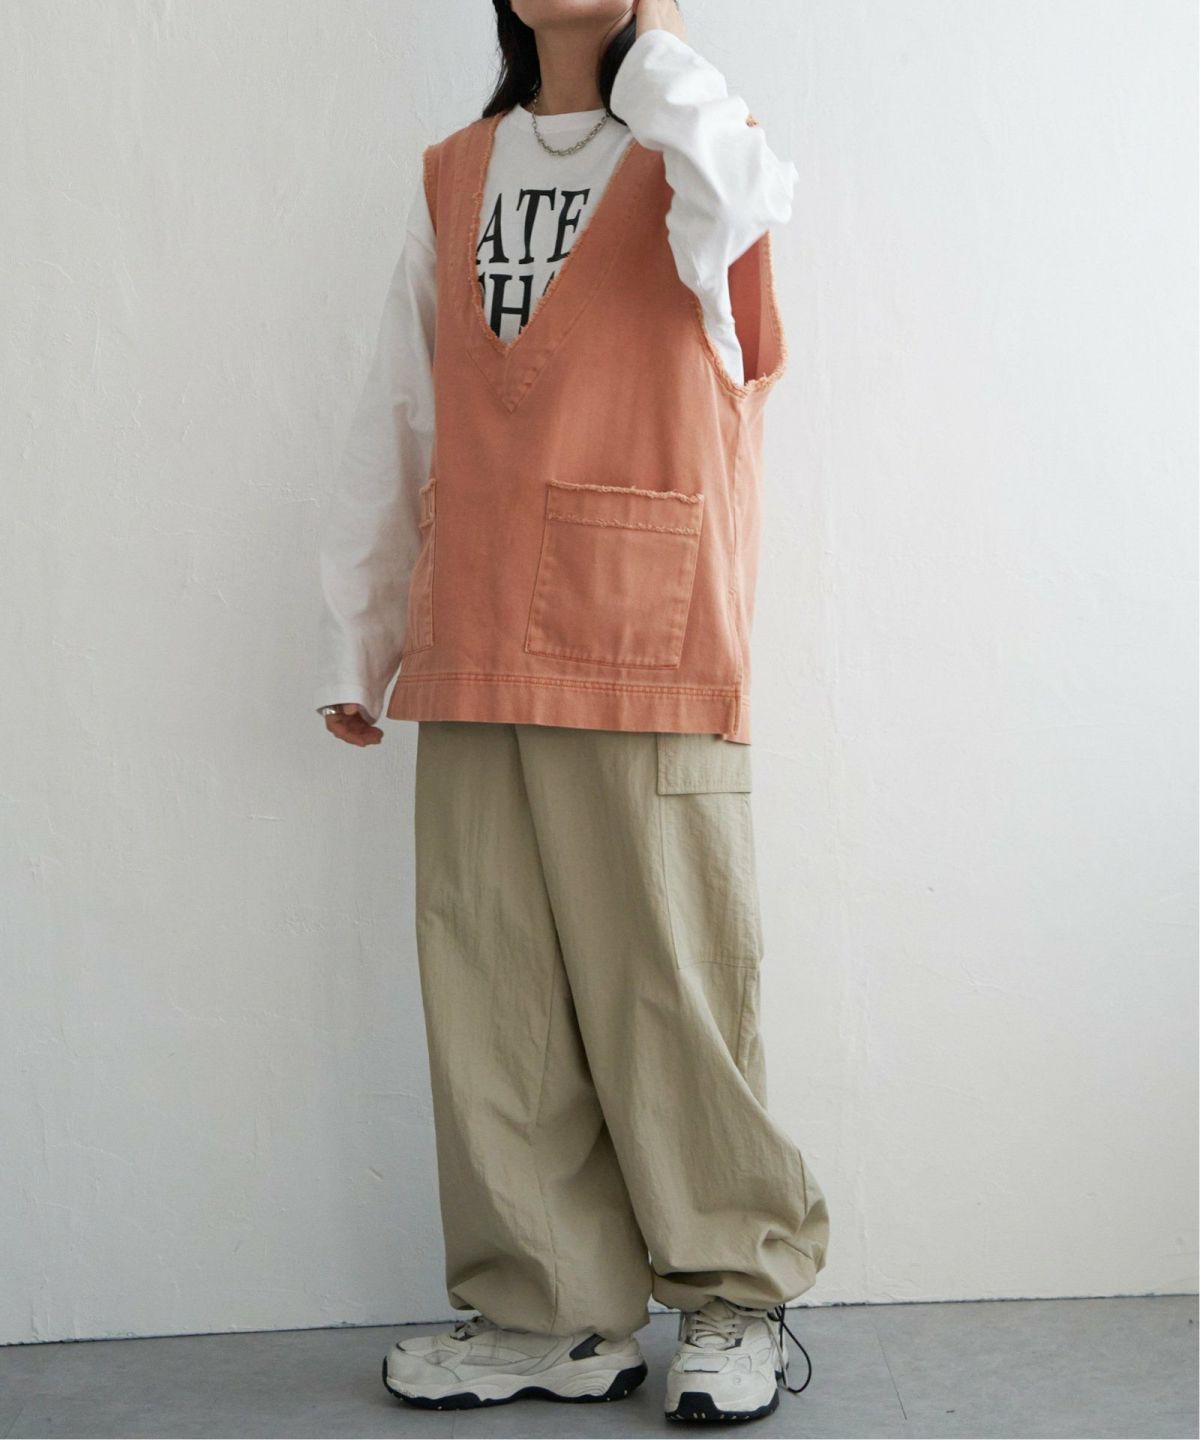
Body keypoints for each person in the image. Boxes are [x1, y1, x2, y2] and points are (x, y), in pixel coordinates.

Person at [314, 0, 830, 1423]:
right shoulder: (454, 174)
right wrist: (359, 634)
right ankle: (549, 1311)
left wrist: (651, 46)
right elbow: (400, 411)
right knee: (493, 996)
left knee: (670, 982)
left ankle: (735, 1295)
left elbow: (739, 200)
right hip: (476, 628)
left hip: (645, 634)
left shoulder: (697, 147)